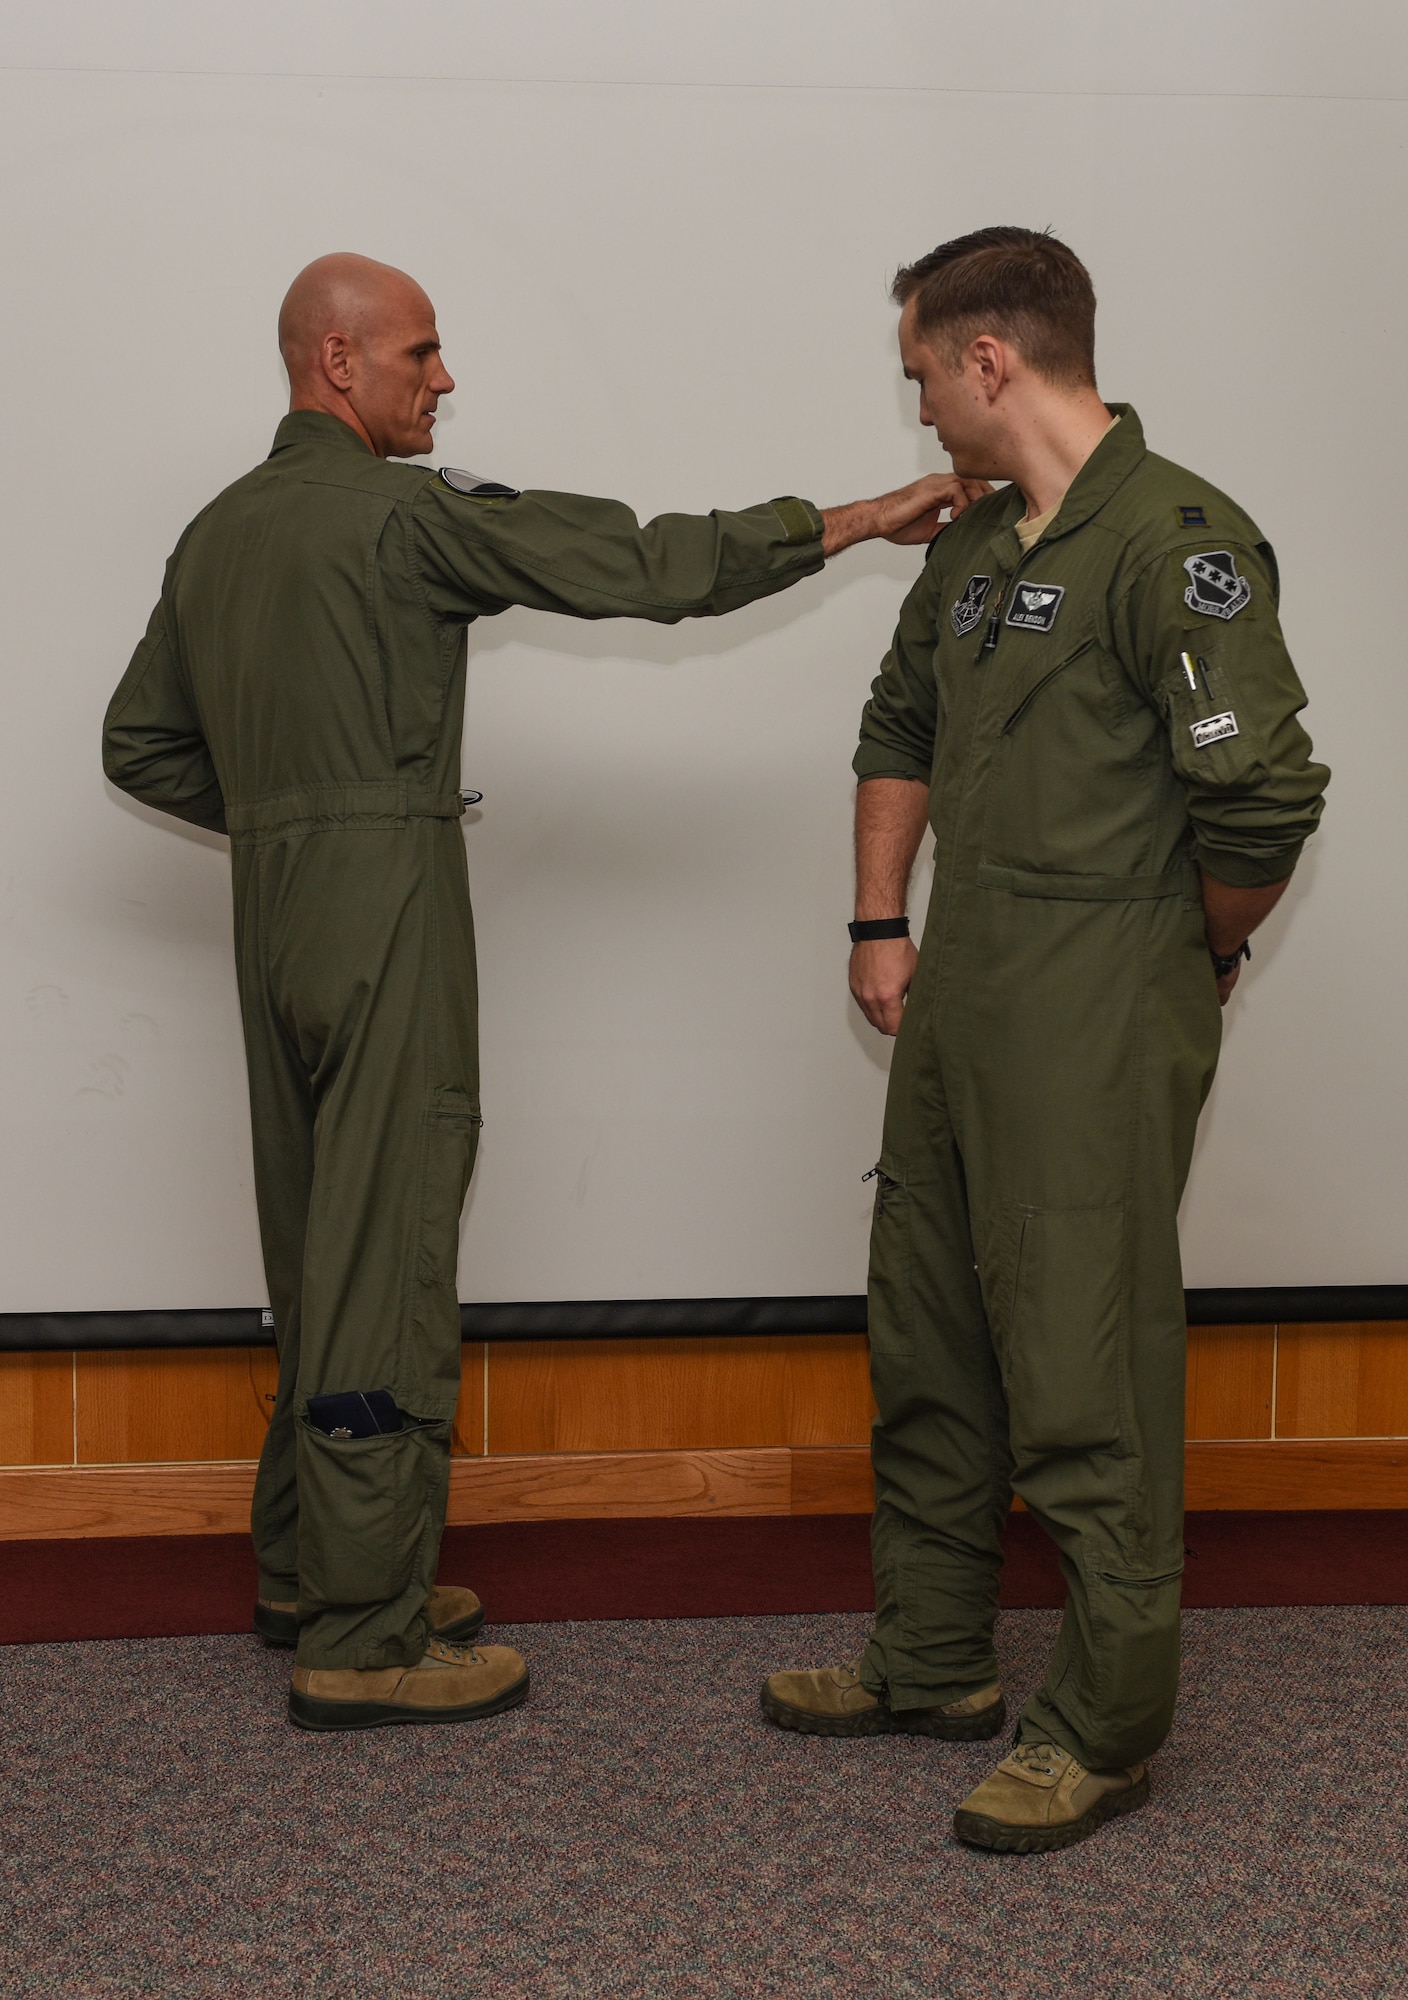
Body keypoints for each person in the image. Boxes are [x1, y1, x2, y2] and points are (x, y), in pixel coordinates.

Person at [102, 252, 985, 1733]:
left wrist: (287, 811)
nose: (442, 381)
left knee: (320, 1245)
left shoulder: (219, 533)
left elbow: (140, 743)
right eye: (421, 355)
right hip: (382, 907)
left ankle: (316, 1566)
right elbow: (644, 566)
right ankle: (366, 1639)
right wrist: (857, 519)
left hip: (277, 910)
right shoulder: (398, 518)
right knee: (382, 1255)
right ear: (338, 362)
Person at [761, 227, 1329, 1852]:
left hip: (1096, 995)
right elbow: (898, 725)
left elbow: (1266, 797)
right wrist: (883, 922)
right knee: (931, 1331)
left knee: (1086, 1366)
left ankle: (1106, 1721)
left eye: (926, 376)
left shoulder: (1182, 541)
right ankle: (933, 1660)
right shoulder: (981, 545)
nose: (923, 410)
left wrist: (1187, 953)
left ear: (992, 359)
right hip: (963, 997)